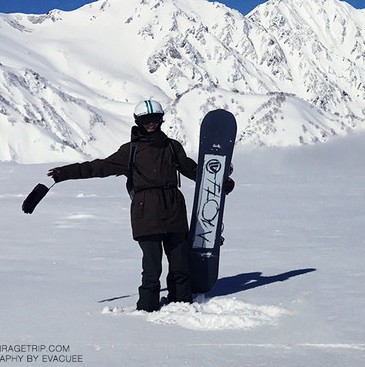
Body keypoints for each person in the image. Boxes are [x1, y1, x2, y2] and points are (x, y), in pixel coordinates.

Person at [46, 99, 233, 312]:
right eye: (146, 120)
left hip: (173, 211)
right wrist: (66, 173)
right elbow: (99, 167)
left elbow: (194, 171)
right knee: (152, 268)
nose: (151, 124)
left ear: (161, 120)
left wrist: (219, 182)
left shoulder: (172, 147)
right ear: (138, 121)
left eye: (155, 119)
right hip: (147, 214)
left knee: (180, 265)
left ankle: (181, 305)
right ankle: (147, 309)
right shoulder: (130, 151)